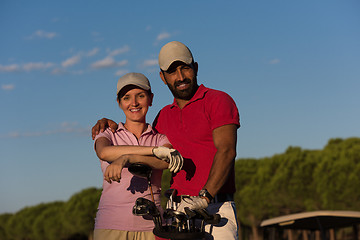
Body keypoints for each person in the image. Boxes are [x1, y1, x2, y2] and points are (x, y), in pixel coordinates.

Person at [92, 41, 240, 240]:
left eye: (185, 68)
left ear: (195, 68)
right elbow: (147, 145)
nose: (180, 77)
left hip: (214, 208)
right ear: (163, 77)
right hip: (175, 213)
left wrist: (204, 198)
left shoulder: (218, 100)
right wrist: (109, 123)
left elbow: (227, 151)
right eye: (172, 72)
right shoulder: (162, 117)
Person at [93, 72, 183, 240]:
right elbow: (104, 152)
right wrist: (153, 150)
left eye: (140, 96)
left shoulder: (160, 138)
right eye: (126, 98)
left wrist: (127, 158)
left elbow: (165, 162)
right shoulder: (108, 133)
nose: (134, 103)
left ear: (151, 99)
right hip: (110, 226)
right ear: (119, 103)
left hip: (153, 228)